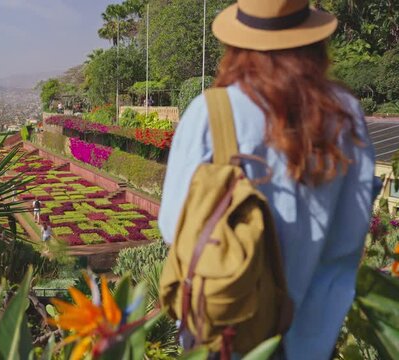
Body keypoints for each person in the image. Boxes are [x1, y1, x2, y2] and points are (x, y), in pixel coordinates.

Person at [158, 1, 376, 359]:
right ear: (312, 38)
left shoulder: (211, 113)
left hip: (226, 333)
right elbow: (348, 240)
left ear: (237, 43)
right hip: (309, 338)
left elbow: (173, 228)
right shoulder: (343, 115)